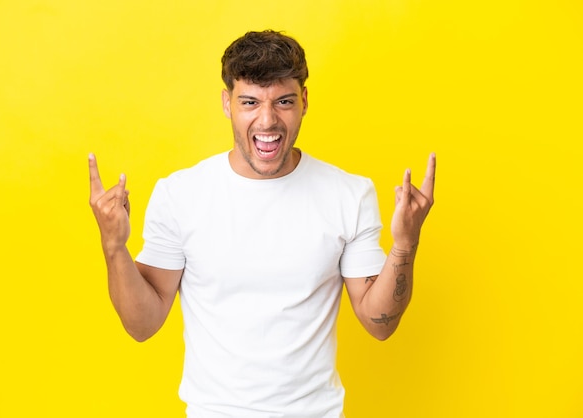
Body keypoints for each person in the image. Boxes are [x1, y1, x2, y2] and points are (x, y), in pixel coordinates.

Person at [89, 30, 435, 418]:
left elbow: (379, 323)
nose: (267, 120)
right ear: (227, 103)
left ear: (303, 101)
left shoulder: (349, 194)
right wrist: (114, 247)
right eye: (250, 102)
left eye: (283, 102)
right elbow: (142, 325)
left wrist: (405, 244)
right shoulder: (181, 194)